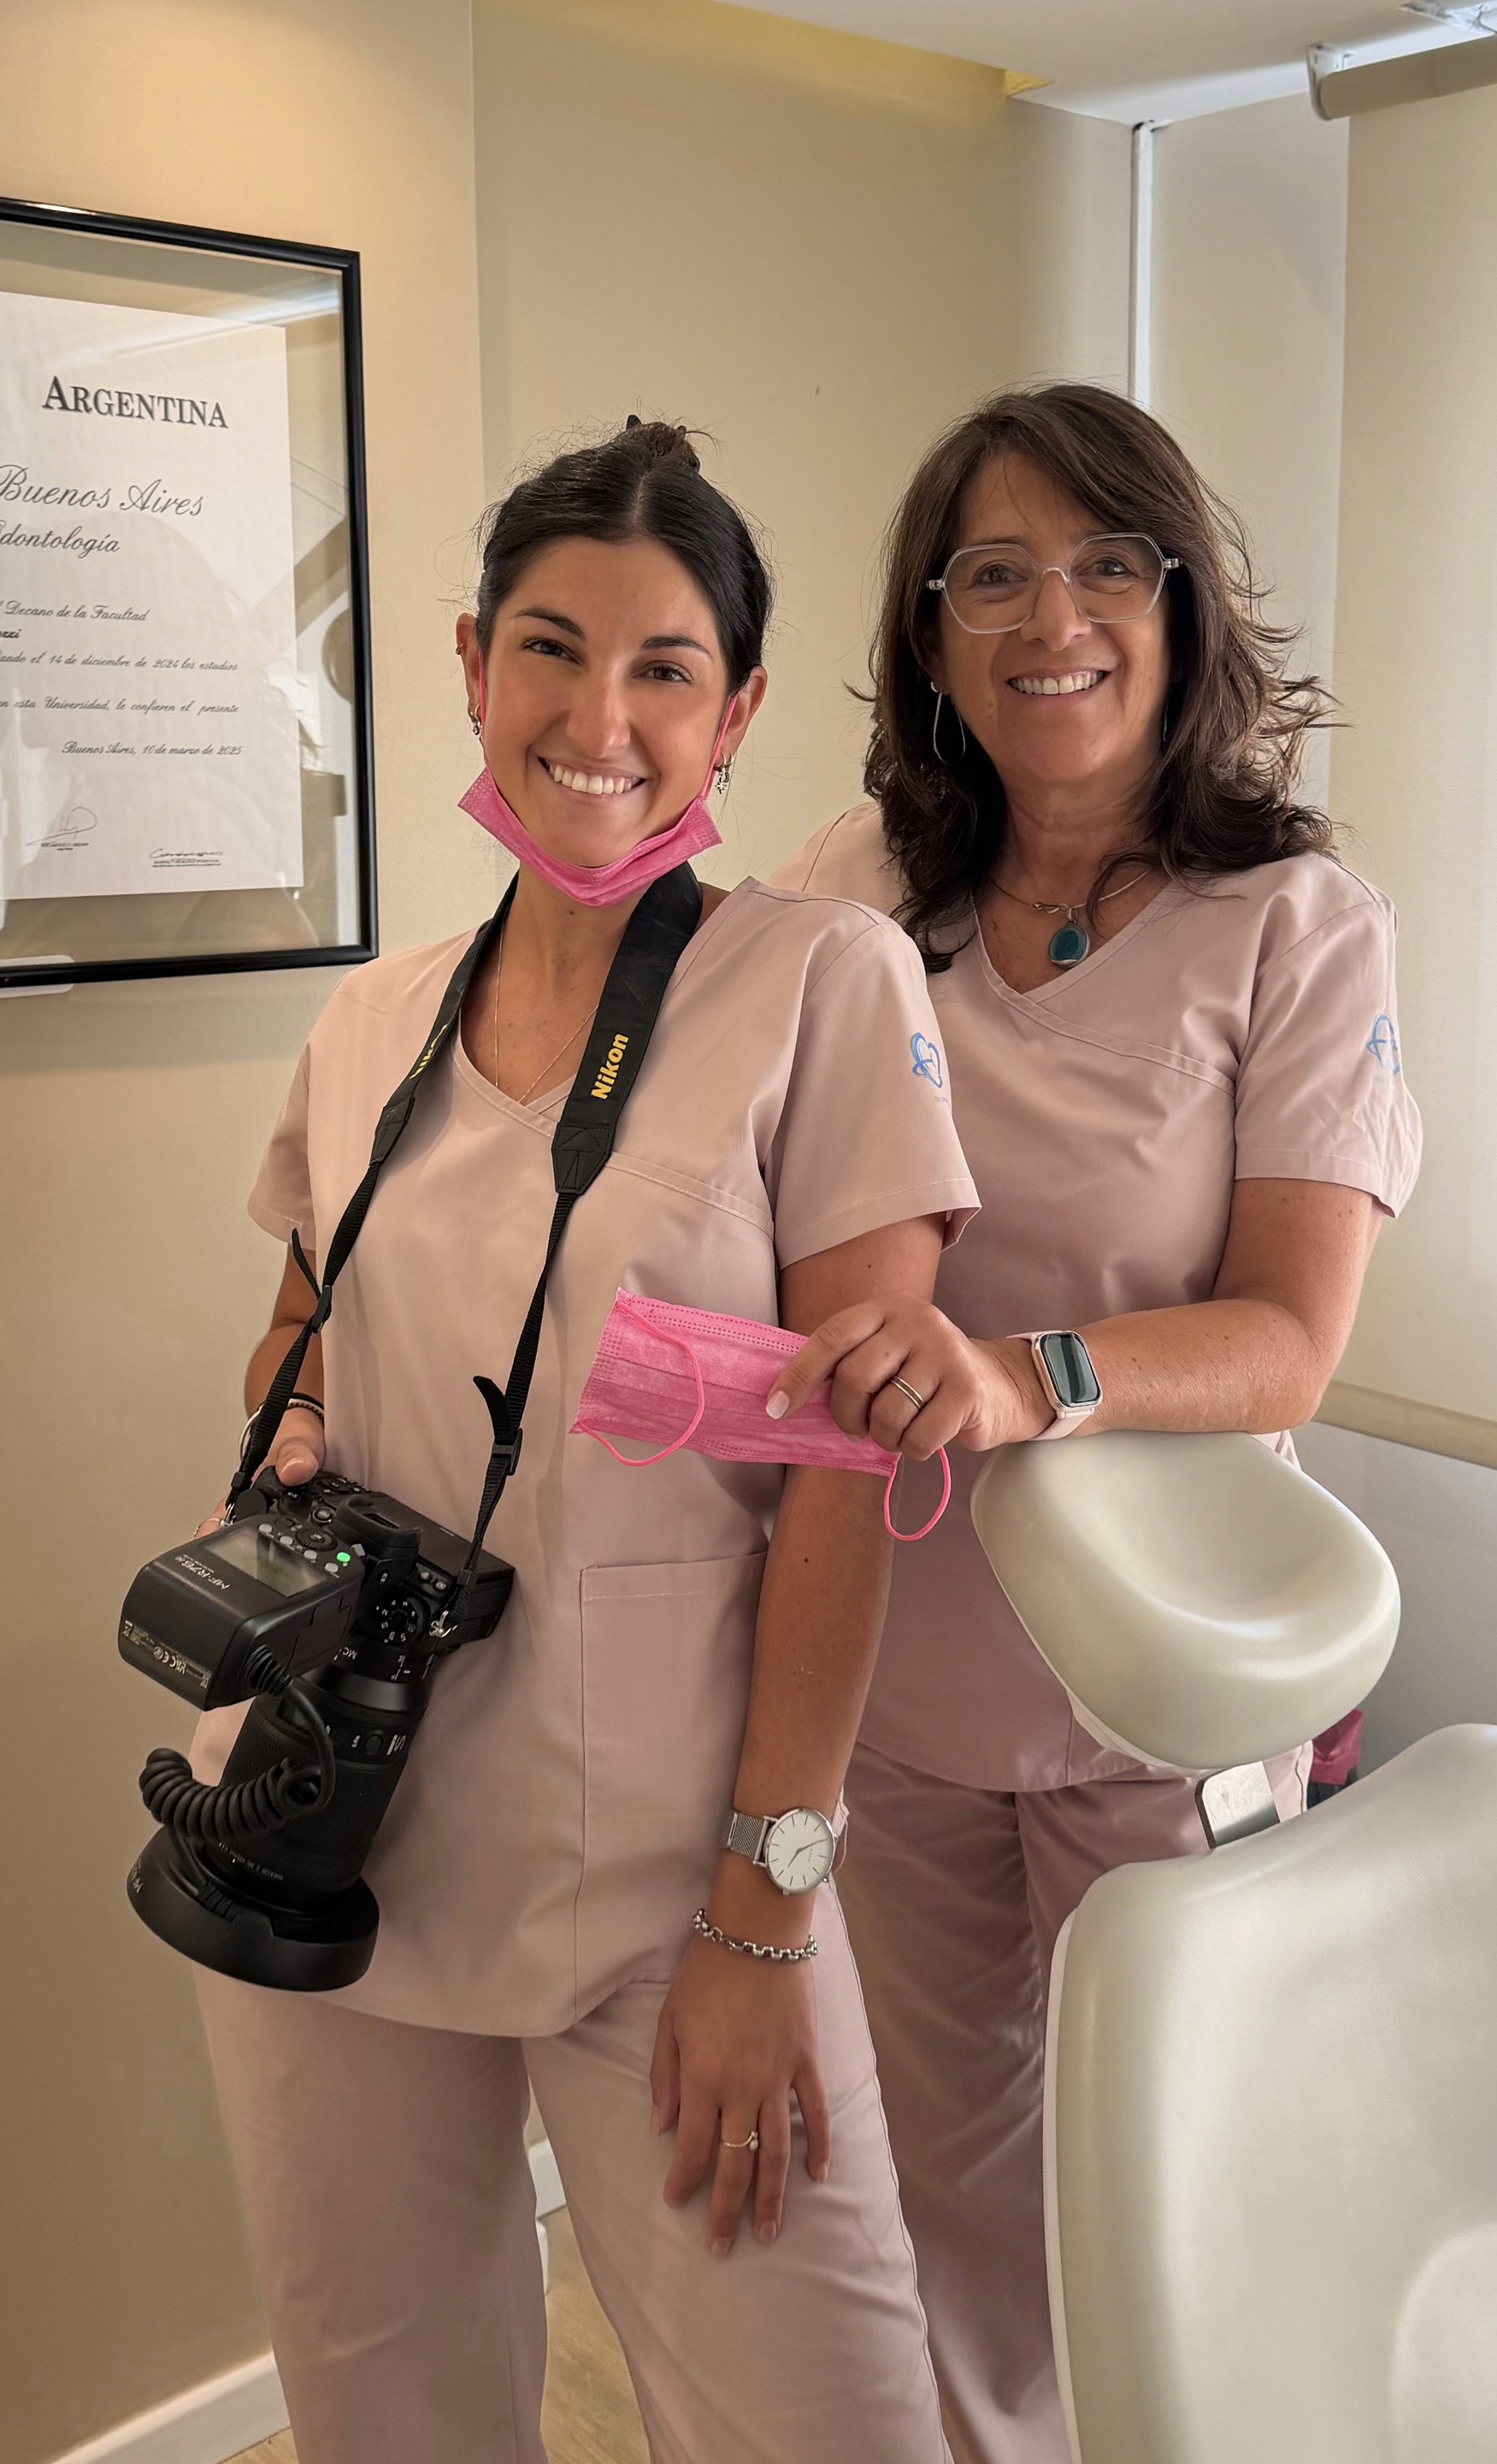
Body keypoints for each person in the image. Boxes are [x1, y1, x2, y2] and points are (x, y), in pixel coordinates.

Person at [188, 421, 975, 2464]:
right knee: (380, 2394)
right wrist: (272, 1462)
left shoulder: (819, 983)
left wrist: (762, 1907)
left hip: (670, 1883)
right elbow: (302, 1312)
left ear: (734, 712)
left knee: (828, 2419)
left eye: (660, 667)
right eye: (549, 649)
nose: (596, 717)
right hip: (336, 1820)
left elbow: (854, 1472)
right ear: (465, 667)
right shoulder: (373, 1017)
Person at [767, 384, 1422, 2464]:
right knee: (953, 2202)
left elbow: (1286, 1342)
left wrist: (1017, 1379)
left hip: (1166, 1688)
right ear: (934, 637)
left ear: (1175, 599)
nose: (1050, 615)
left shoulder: (1292, 925)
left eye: (1100, 561)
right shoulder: (862, 888)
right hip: (896, 1678)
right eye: (989, 574)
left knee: (1195, 2197)